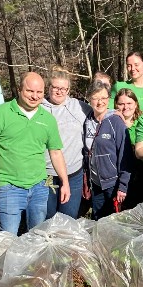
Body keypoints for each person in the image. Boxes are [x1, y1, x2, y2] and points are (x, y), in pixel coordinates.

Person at [0, 72, 70, 234]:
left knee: (37, 235)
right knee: (9, 237)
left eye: (39, 92)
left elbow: (55, 152)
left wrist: (65, 182)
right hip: (9, 186)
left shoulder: (47, 119)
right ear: (19, 89)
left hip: (39, 186)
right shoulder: (0, 113)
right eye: (30, 91)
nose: (35, 96)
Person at [42, 68, 91, 219]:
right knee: (48, 217)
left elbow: (99, 114)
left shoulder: (79, 107)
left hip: (73, 173)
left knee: (68, 218)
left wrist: (114, 113)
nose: (59, 91)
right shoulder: (39, 108)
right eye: (55, 87)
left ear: (68, 90)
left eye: (63, 88)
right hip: (46, 174)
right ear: (49, 87)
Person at [83, 82, 133, 219]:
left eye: (104, 98)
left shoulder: (115, 121)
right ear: (89, 99)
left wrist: (123, 186)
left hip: (113, 183)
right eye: (95, 98)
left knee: (115, 222)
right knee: (98, 220)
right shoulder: (87, 121)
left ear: (109, 99)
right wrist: (86, 180)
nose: (100, 102)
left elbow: (125, 155)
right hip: (95, 183)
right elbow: (86, 152)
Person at [112, 52, 143, 116]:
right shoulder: (118, 87)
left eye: (136, 65)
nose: (132, 69)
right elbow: (108, 111)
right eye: (129, 65)